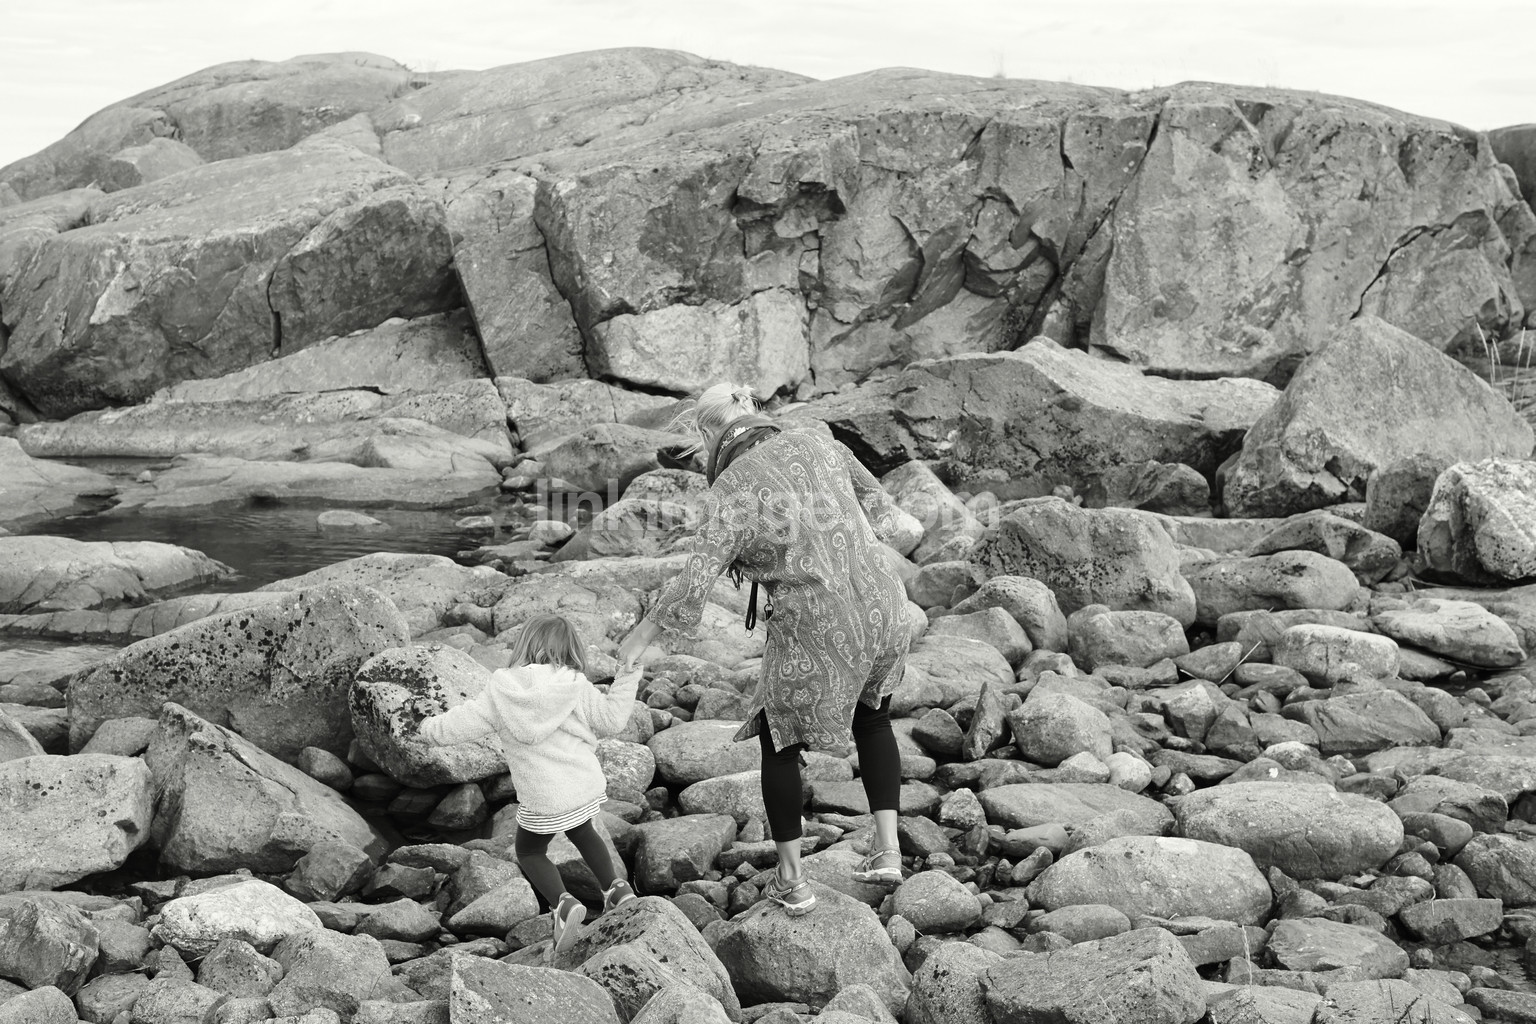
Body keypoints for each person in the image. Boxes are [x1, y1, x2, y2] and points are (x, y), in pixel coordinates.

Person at [618, 383, 911, 917]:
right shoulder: (817, 439)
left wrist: (638, 639)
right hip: (885, 601)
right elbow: (881, 511)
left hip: (817, 617)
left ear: (707, 432)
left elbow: (697, 576)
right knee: (873, 717)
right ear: (752, 412)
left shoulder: (733, 487)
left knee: (779, 742)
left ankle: (793, 880)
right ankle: (888, 850)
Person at [416, 614, 642, 953]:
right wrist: (627, 675)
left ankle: (563, 903)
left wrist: (426, 729)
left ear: (524, 644)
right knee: (583, 830)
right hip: (581, 784)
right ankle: (616, 889)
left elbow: (461, 723)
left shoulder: (502, 690)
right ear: (570, 650)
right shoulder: (574, 684)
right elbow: (612, 719)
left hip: (543, 795)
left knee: (530, 851)